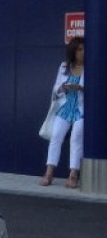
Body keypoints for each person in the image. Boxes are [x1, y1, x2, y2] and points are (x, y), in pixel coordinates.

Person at [41, 36, 85, 188]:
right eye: (79, 49)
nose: (82, 52)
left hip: (81, 109)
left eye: (83, 49)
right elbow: (55, 89)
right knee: (56, 136)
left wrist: (81, 88)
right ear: (73, 51)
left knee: (76, 138)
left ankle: (73, 175)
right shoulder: (64, 66)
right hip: (66, 107)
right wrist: (63, 87)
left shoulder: (90, 67)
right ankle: (49, 173)